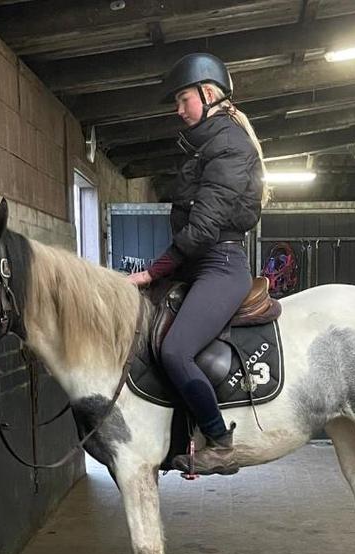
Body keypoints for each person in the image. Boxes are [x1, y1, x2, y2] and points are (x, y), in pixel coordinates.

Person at [127, 53, 267, 475]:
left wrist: (153, 271)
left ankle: (220, 442)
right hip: (199, 263)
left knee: (175, 350)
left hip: (219, 265)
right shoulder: (210, 142)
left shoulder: (228, 145)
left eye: (183, 99)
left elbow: (204, 229)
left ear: (208, 94)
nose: (178, 109)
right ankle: (176, 440)